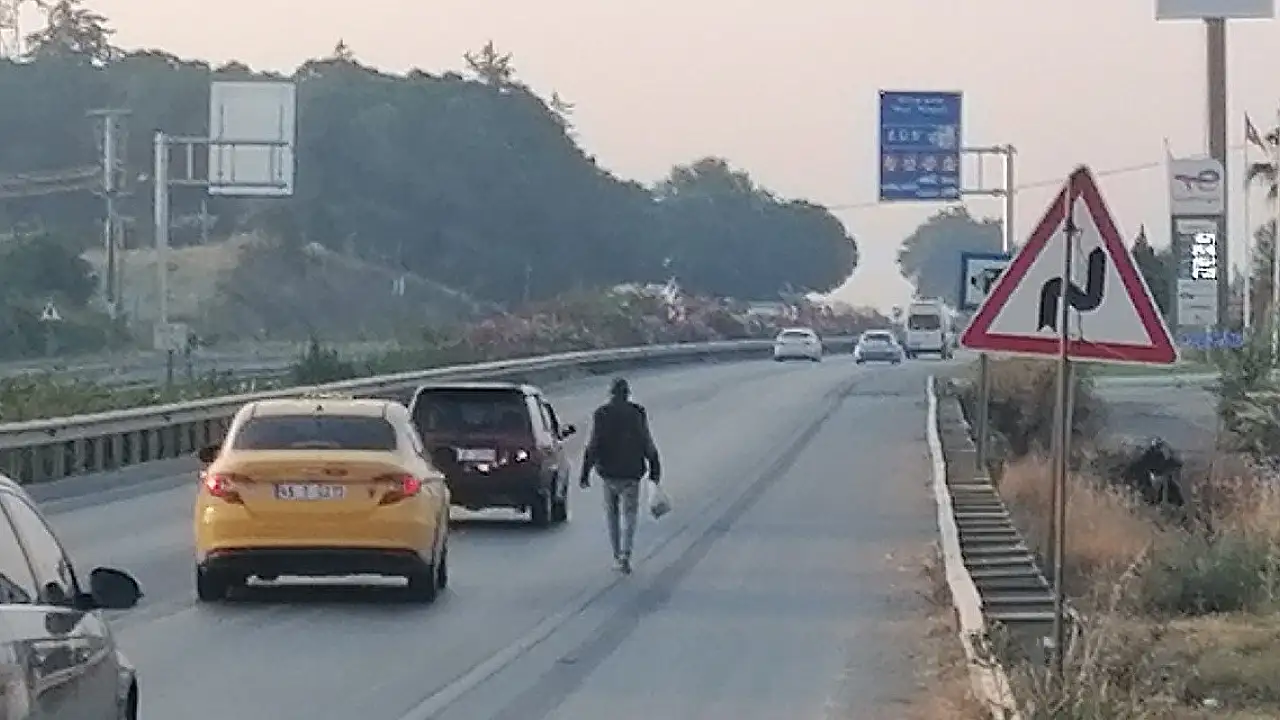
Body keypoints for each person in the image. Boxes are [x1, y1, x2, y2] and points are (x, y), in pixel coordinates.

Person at [579, 377, 661, 574]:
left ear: (611, 394)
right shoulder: (637, 413)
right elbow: (646, 440)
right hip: (632, 473)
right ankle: (626, 554)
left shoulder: (601, 414)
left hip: (609, 473)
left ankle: (617, 555)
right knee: (630, 514)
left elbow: (594, 444)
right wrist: (655, 468)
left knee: (612, 515)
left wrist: (585, 472)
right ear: (627, 394)